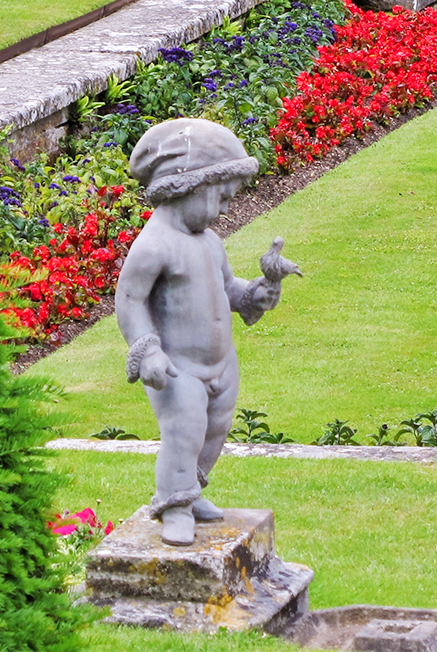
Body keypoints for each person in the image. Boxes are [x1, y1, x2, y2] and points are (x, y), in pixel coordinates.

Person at [115, 118, 300, 546]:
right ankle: (173, 504)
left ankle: (191, 490)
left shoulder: (209, 241)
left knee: (214, 431)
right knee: (184, 431)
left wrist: (258, 291)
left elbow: (227, 290)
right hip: (179, 368)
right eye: (221, 197)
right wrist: (147, 351)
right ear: (187, 185)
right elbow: (129, 301)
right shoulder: (155, 244)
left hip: (221, 364)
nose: (226, 209)